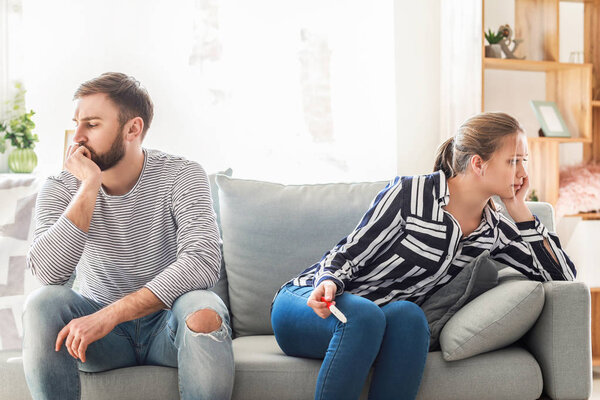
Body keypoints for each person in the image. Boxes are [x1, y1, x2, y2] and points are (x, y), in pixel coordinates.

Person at [271, 111, 576, 400]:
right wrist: (329, 282)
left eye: (524, 160)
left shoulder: (494, 232)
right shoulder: (411, 194)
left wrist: (520, 211)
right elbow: (350, 251)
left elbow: (562, 277)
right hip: (312, 303)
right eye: (513, 161)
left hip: (377, 320)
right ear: (478, 164)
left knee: (410, 318)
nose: (523, 173)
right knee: (364, 317)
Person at [22, 72, 234, 400]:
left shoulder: (182, 174)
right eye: (76, 122)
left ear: (133, 129)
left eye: (91, 124)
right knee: (41, 305)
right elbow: (49, 275)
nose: (76, 136)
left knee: (204, 310)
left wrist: (110, 315)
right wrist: (88, 188)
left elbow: (203, 260)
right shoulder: (62, 185)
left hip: (167, 327)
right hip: (96, 341)